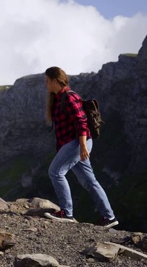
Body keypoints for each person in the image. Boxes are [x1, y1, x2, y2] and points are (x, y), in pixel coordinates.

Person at [43, 66, 118, 228]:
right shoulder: (57, 98)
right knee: (90, 182)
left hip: (77, 143)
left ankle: (66, 212)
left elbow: (81, 122)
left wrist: (83, 146)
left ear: (56, 80)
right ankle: (109, 217)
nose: (46, 85)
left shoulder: (69, 98)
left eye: (48, 81)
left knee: (55, 172)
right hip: (73, 144)